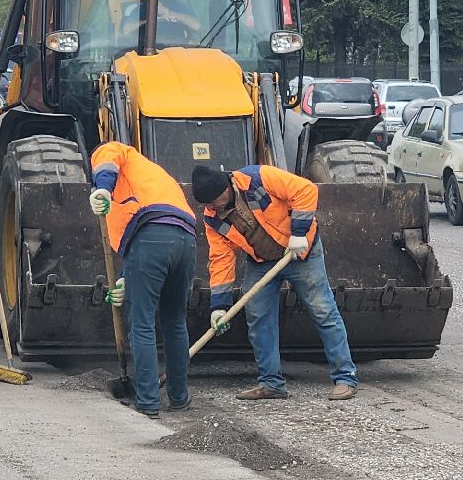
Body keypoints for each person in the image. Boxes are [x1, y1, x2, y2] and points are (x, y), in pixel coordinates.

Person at [191, 163, 357, 402]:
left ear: (226, 189)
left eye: (213, 201)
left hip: (301, 253)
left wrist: (299, 233)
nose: (211, 208)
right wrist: (220, 306)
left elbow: (305, 190)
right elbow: (221, 259)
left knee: (323, 311)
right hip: (261, 262)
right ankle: (271, 383)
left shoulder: (259, 178)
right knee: (258, 318)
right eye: (206, 204)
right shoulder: (213, 219)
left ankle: (345, 377)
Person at [89, 142, 200, 418]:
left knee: (142, 322)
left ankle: (148, 401)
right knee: (175, 320)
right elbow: (151, 221)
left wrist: (101, 185)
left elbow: (107, 163)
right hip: (186, 240)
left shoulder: (113, 150)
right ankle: (179, 397)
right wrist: (126, 279)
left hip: (151, 237)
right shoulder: (153, 174)